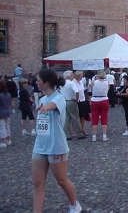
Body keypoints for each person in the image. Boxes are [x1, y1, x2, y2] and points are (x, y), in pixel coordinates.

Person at [32, 69, 82, 213]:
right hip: (40, 145)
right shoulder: (42, 99)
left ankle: (74, 204)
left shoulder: (58, 97)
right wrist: (43, 106)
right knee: (37, 182)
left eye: (38, 80)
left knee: (62, 180)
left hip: (56, 146)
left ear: (46, 83)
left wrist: (45, 108)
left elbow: (53, 105)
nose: (36, 82)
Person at [59, 71, 86, 140]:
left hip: (64, 101)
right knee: (75, 118)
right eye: (71, 74)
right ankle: (79, 133)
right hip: (71, 101)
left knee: (67, 118)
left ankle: (67, 134)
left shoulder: (62, 84)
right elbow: (77, 92)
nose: (73, 75)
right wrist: (77, 99)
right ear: (68, 76)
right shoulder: (71, 83)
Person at [90, 69, 110, 142]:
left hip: (95, 100)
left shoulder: (94, 82)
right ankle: (104, 136)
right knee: (104, 117)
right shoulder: (107, 82)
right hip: (104, 99)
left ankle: (94, 136)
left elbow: (91, 89)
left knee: (94, 118)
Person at [73, 71, 90, 137]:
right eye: (81, 75)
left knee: (83, 116)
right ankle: (75, 131)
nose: (82, 77)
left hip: (83, 100)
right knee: (76, 117)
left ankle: (83, 129)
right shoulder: (73, 83)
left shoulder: (81, 82)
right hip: (77, 101)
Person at [0, 81, 12, 147]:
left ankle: (3, 141)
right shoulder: (8, 94)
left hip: (1, 112)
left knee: (2, 127)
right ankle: (9, 140)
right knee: (7, 126)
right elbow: (9, 103)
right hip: (7, 111)